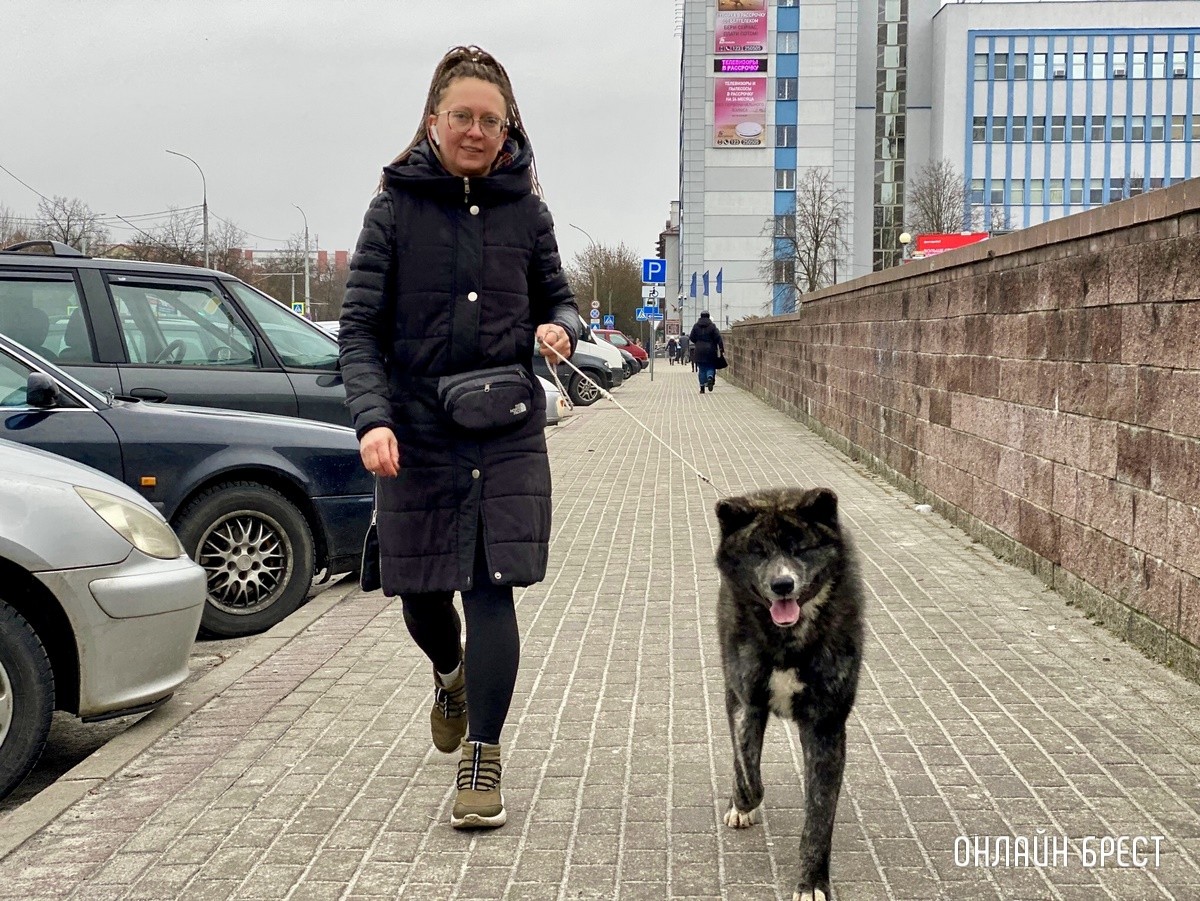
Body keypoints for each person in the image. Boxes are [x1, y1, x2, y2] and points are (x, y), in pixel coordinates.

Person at [338, 45, 578, 831]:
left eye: (490, 120)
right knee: (418, 589)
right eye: (462, 116)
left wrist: (559, 328)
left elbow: (563, 301)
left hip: (503, 427)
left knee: (492, 584)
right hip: (414, 431)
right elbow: (360, 329)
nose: (476, 131)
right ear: (434, 121)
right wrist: (373, 417)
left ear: (509, 129)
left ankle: (483, 754)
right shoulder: (394, 208)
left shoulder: (529, 213)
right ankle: (450, 673)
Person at [688, 310, 725, 393]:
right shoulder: (712, 326)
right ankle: (710, 377)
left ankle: (702, 387)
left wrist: (698, 342)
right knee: (710, 366)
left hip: (699, 350)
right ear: (708, 316)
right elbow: (718, 338)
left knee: (701, 369)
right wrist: (721, 349)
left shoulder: (696, 326)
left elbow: (691, 337)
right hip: (711, 350)